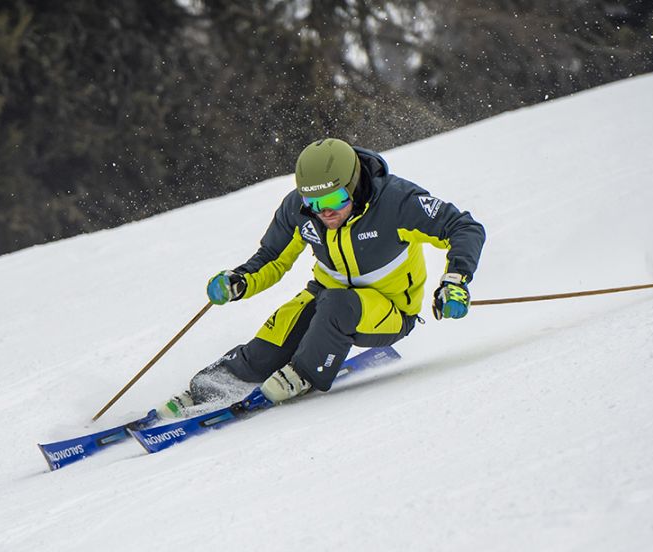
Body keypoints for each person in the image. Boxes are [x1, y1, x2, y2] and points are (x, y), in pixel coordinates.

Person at [159, 138, 485, 417]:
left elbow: (463, 227)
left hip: (389, 310)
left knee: (339, 304)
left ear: (354, 185)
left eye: (333, 200)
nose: (324, 212)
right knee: (266, 349)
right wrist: (239, 281)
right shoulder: (300, 212)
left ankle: (303, 374)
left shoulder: (397, 203)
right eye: (313, 202)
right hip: (324, 296)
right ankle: (207, 388)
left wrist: (455, 281)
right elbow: (272, 258)